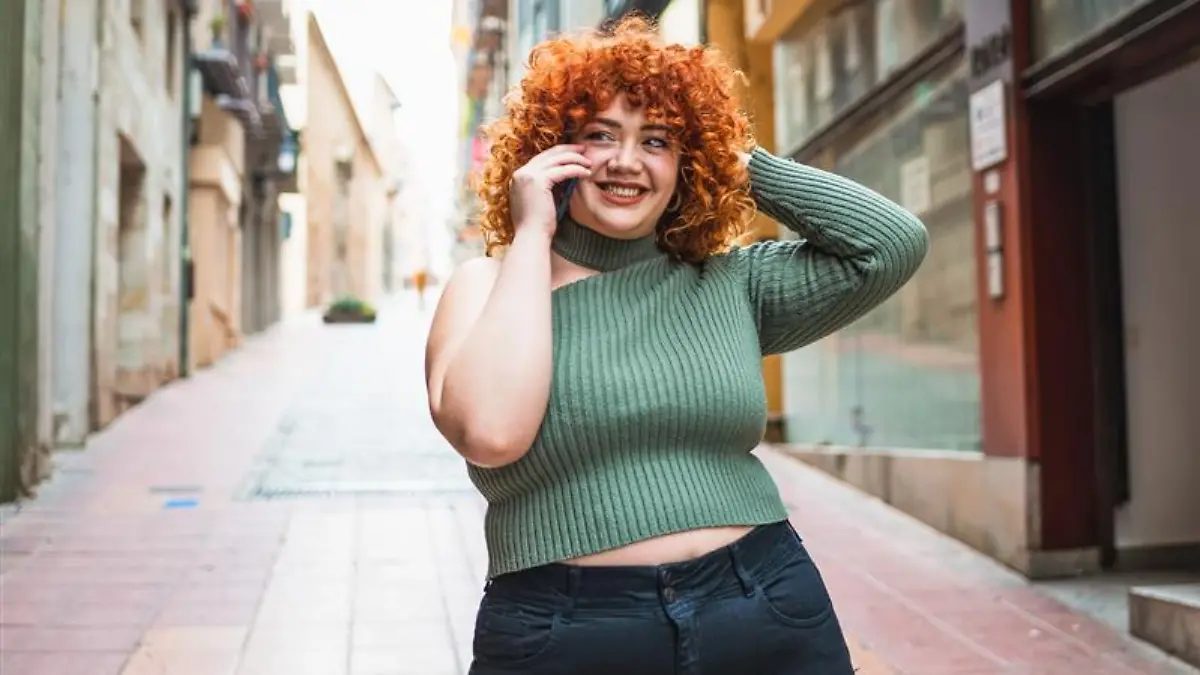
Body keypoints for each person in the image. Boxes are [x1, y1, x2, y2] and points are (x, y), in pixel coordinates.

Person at [425, 16, 928, 675]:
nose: (627, 161)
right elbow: (491, 431)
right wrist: (529, 236)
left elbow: (889, 245)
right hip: (569, 631)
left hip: (765, 598)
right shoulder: (487, 285)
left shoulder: (728, 280)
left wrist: (732, 158)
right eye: (599, 136)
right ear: (550, 150)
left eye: (655, 140)